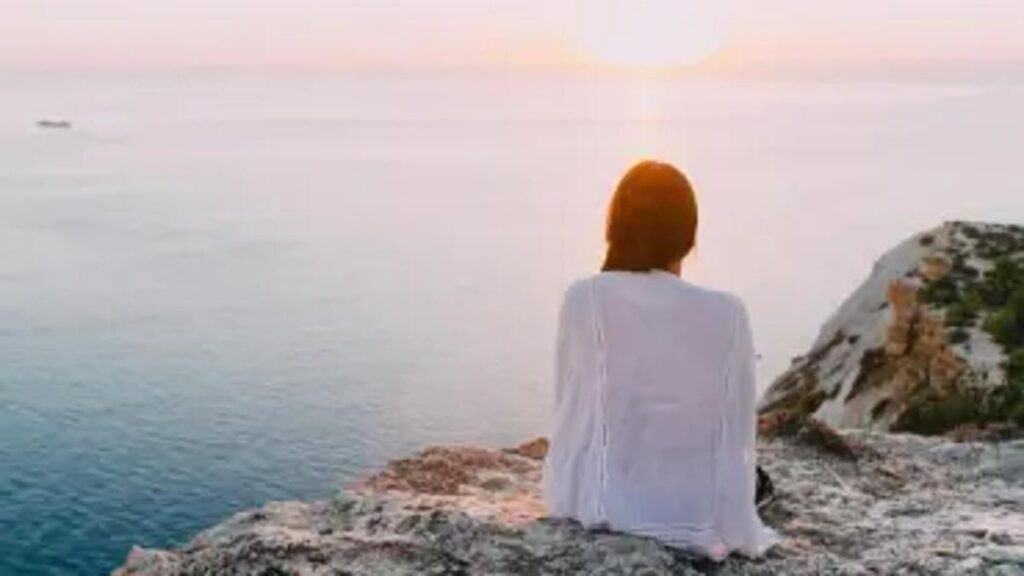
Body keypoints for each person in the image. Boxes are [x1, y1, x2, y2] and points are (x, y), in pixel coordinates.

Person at [543, 161, 777, 560]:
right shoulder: (728, 313)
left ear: (615, 227)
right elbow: (736, 430)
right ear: (687, 238)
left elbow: (572, 415)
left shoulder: (584, 299)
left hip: (602, 506)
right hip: (697, 511)